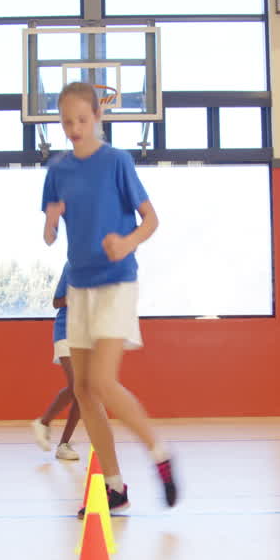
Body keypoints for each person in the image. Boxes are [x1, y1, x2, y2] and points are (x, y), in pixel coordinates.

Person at [41, 82, 178, 515]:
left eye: (82, 119)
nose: (74, 128)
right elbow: (50, 227)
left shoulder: (118, 161)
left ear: (99, 117)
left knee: (101, 381)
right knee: (82, 389)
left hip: (117, 281)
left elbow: (151, 219)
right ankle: (115, 487)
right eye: (66, 121)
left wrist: (129, 242)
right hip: (79, 287)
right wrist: (50, 224)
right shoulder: (58, 169)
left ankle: (160, 452)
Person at [31, 262, 81, 461]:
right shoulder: (72, 265)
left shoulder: (108, 267)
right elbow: (57, 301)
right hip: (66, 331)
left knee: (83, 391)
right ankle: (43, 422)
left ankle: (64, 445)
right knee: (77, 385)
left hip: (90, 335)